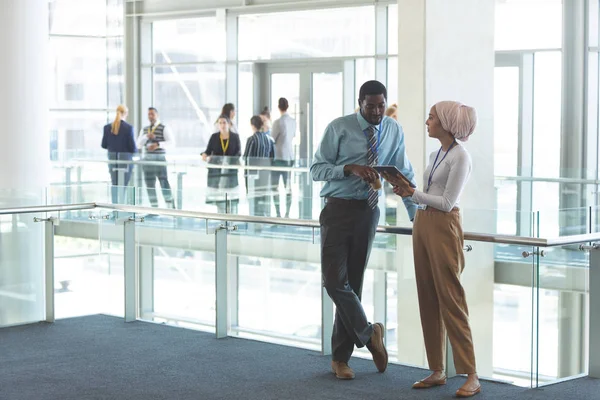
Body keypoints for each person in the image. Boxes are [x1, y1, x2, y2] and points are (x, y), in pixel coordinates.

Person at [310, 80, 418, 380]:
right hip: (337, 208)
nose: (377, 111)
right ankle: (370, 334)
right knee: (334, 282)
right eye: (371, 106)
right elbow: (316, 169)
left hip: (368, 212)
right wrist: (349, 169)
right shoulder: (339, 128)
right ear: (360, 103)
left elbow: (403, 173)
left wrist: (417, 217)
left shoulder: (393, 130)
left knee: (352, 284)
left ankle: (340, 359)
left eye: (381, 105)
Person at [384, 100, 480, 398]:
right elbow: (429, 196)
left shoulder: (460, 157)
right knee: (426, 294)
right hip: (423, 223)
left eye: (432, 117)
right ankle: (438, 369)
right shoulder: (435, 153)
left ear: (447, 123)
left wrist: (415, 193)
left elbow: (448, 202)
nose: (427, 122)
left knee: (451, 298)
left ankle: (472, 374)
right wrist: (409, 192)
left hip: (443, 225)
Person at [137, 107, 176, 209]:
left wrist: (158, 144)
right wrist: (146, 137)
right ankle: (154, 208)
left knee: (164, 183)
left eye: (152, 114)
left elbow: (171, 143)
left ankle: (171, 208)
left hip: (159, 160)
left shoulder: (164, 128)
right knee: (150, 185)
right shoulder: (145, 130)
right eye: (149, 114)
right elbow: (138, 145)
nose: (150, 116)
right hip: (147, 161)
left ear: (157, 115)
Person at [202, 115, 242, 214]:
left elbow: (238, 153)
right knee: (219, 197)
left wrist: (232, 161)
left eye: (224, 122)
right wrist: (204, 155)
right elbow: (208, 151)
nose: (222, 125)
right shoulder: (214, 137)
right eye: (220, 123)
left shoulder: (235, 137)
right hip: (217, 172)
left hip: (230, 171)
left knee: (231, 197)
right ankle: (222, 220)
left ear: (229, 124)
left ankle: (232, 221)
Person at [101, 104, 137, 204]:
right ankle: (121, 208)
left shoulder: (107, 127)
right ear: (125, 114)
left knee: (115, 184)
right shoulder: (128, 128)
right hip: (125, 162)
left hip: (112, 161)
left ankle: (115, 208)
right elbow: (132, 148)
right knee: (123, 186)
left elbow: (104, 145)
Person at [243, 116, 274, 217]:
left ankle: (254, 218)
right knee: (262, 196)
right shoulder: (269, 139)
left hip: (252, 174)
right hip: (265, 173)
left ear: (252, 126)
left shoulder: (251, 139)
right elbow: (272, 157)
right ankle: (261, 217)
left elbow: (246, 157)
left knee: (253, 196)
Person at [271, 98, 297, 218]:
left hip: (278, 157)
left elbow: (272, 139)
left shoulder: (277, 122)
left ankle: (278, 213)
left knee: (275, 187)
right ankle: (287, 213)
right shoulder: (293, 121)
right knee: (288, 187)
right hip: (290, 157)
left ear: (278, 107)